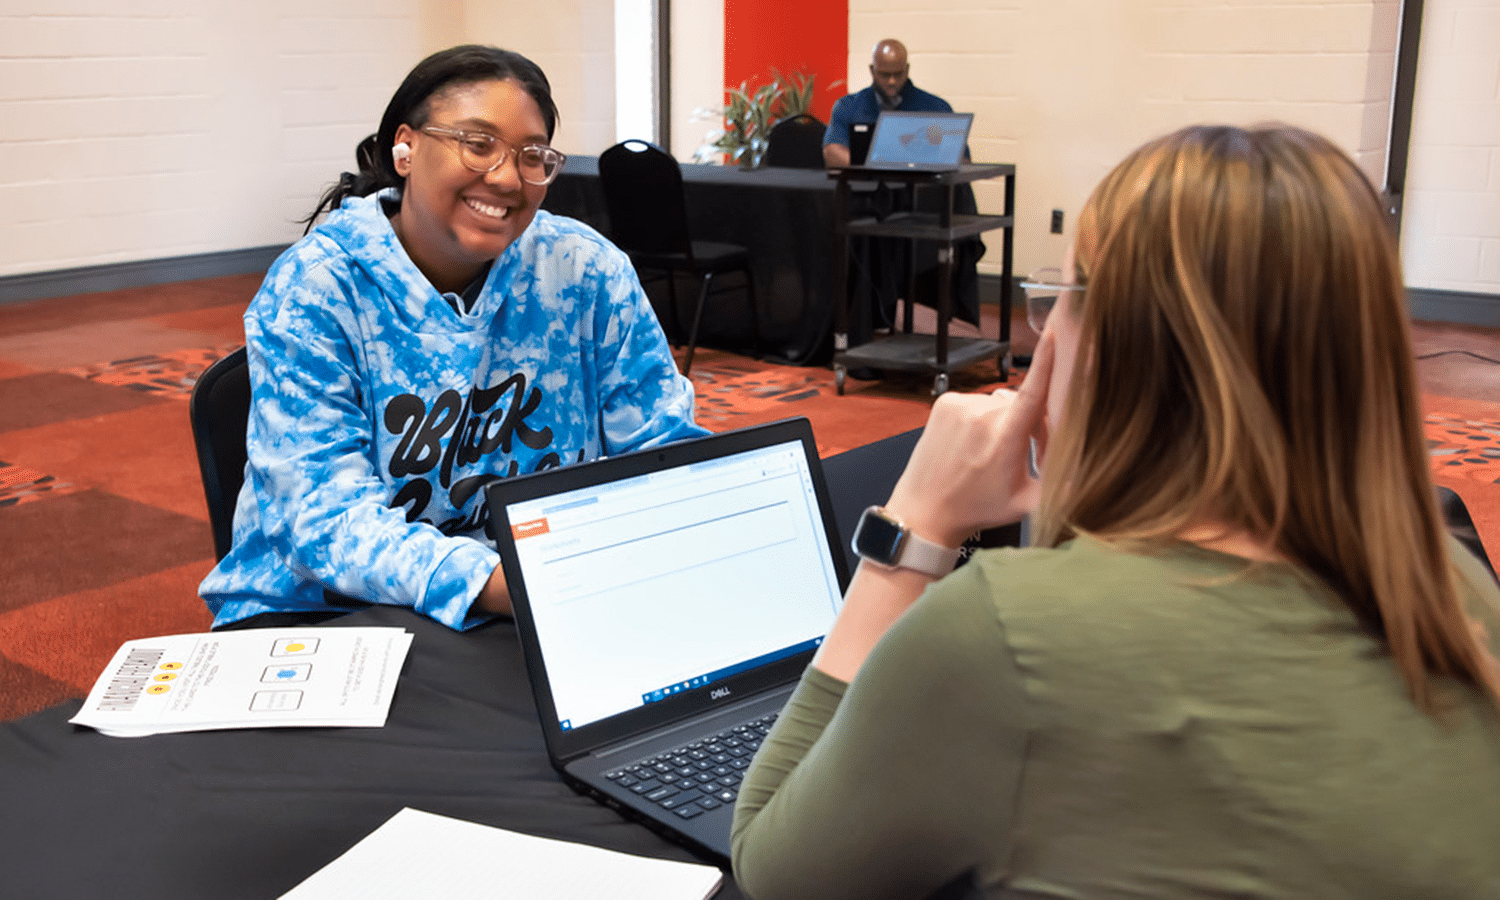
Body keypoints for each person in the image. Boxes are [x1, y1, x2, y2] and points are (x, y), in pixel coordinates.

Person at [731, 124, 1500, 898]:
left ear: (1104, 345)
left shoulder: (1009, 635)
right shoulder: (1458, 596)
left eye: (1058, 299)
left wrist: (917, 526)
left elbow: (775, 867)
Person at [199, 45, 708, 631]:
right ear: (406, 147)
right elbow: (324, 518)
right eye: (478, 143)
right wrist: (504, 583)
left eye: (532, 155)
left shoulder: (585, 271)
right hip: (326, 610)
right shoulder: (318, 288)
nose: (507, 176)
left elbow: (663, 446)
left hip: (536, 591)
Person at [823, 39, 954, 168]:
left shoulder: (937, 108)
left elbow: (960, 160)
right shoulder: (848, 106)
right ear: (872, 71)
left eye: (898, 74)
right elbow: (832, 153)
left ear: (907, 69)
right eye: (885, 75)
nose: (892, 81)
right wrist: (881, 168)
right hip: (866, 186)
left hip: (918, 187)